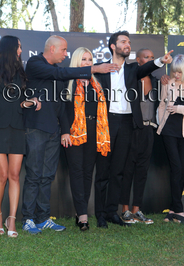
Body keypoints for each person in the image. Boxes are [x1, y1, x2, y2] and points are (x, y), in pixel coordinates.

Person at [21, 35, 118, 234]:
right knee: (34, 175)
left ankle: (43, 217)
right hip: (36, 127)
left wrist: (64, 130)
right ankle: (28, 219)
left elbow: (61, 105)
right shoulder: (35, 63)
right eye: (64, 50)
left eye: (67, 51)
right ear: (52, 49)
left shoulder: (59, 72)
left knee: (47, 176)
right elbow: (60, 74)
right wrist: (93, 69)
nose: (66, 54)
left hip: (53, 130)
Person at [93, 31, 173, 228]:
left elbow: (147, 67)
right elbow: (81, 71)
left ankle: (112, 212)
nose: (127, 44)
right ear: (113, 46)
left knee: (118, 171)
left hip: (128, 123)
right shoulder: (102, 69)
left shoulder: (132, 70)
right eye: (123, 41)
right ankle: (100, 215)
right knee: (103, 171)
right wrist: (95, 68)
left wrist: (161, 61)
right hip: (106, 123)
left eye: (129, 42)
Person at [0, 35, 28, 237]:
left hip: (18, 126)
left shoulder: (21, 71)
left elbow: (21, 98)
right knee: (1, 175)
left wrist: (29, 102)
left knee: (15, 175)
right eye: (18, 47)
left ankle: (12, 220)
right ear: (10, 48)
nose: (20, 50)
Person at [64, 47, 111, 231]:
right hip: (74, 132)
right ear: (76, 62)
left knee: (87, 172)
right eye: (83, 59)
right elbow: (62, 110)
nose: (87, 62)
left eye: (89, 59)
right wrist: (64, 131)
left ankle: (79, 212)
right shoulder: (68, 82)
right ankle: (83, 215)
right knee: (76, 172)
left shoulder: (96, 83)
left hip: (94, 131)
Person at [157, 54, 184, 224]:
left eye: (179, 72)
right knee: (176, 167)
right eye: (174, 71)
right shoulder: (168, 83)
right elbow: (161, 104)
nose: (176, 75)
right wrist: (160, 123)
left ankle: (173, 209)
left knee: (180, 168)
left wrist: (180, 109)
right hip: (169, 130)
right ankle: (178, 209)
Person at [119, 48, 158, 224]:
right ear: (139, 61)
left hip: (149, 130)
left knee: (142, 171)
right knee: (128, 170)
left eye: (152, 57)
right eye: (146, 57)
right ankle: (125, 210)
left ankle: (137, 210)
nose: (150, 60)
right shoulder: (131, 79)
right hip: (132, 129)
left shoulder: (157, 81)